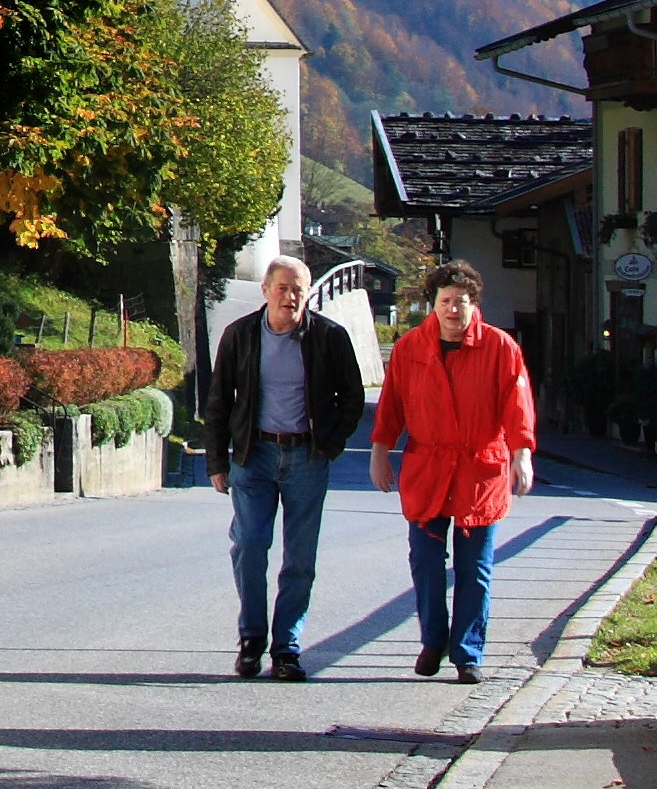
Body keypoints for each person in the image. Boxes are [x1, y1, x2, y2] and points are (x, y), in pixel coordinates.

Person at [372, 260, 537, 683]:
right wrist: (380, 450)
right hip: (428, 467)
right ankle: (433, 639)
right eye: (445, 301)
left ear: (472, 304)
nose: (453, 310)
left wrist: (522, 453)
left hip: (479, 470)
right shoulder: (411, 348)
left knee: (474, 569)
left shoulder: (500, 347)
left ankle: (467, 653)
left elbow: (517, 404)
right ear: (434, 304)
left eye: (460, 302)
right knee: (425, 561)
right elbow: (391, 404)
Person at [205, 253, 368, 681]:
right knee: (249, 547)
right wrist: (217, 461)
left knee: (299, 559)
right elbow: (219, 400)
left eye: (298, 289)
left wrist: (329, 444)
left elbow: (352, 398)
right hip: (253, 456)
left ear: (308, 293)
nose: (290, 297)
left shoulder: (329, 337)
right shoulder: (240, 336)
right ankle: (252, 638)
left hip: (306, 458)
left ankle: (287, 648)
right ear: (266, 291)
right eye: (282, 288)